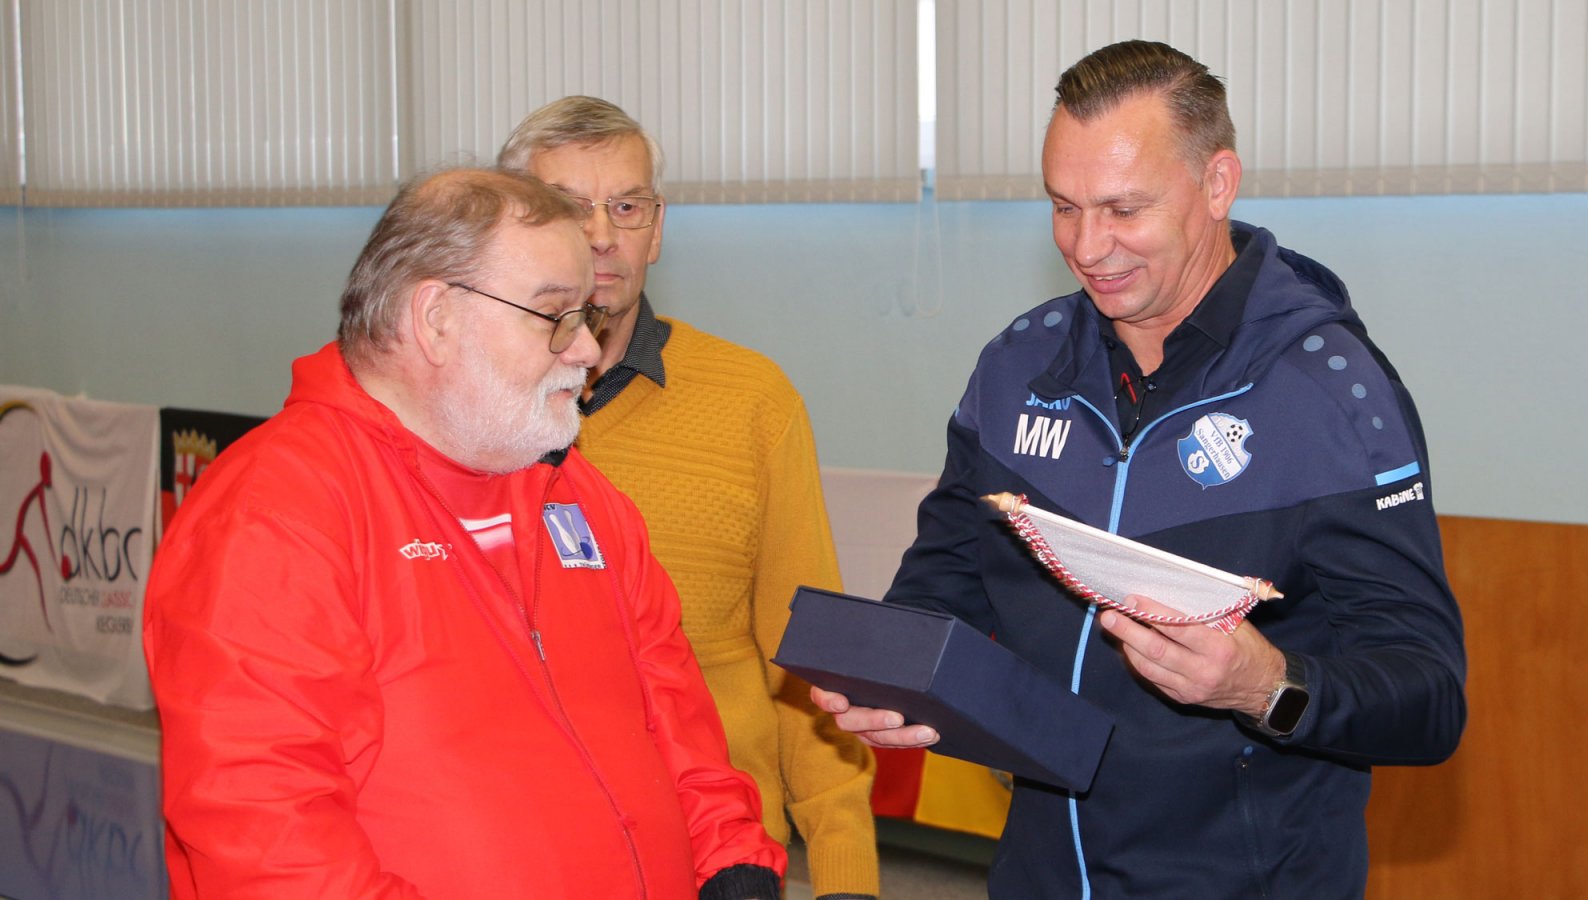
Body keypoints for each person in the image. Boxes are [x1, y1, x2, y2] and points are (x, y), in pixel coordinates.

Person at [814, 40, 1467, 898]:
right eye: (1063, 207)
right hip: (1041, 873)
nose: (1089, 247)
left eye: (1124, 209)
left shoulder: (1331, 392)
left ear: (1218, 184)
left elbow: (1427, 697)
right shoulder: (1017, 368)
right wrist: (893, 678)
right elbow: (945, 586)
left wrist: (1265, 685)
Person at [142, 167, 787, 899]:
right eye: (555, 316)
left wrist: (730, 855)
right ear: (437, 318)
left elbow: (674, 712)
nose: (585, 351)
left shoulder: (577, 495)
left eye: (588, 318)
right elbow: (269, 834)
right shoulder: (276, 514)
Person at [499, 97, 879, 899]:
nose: (602, 234)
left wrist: (846, 871)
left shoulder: (753, 401)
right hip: (529, 853)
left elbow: (809, 650)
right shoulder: (463, 414)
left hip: (724, 862)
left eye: (627, 206)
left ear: (657, 229)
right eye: (569, 207)